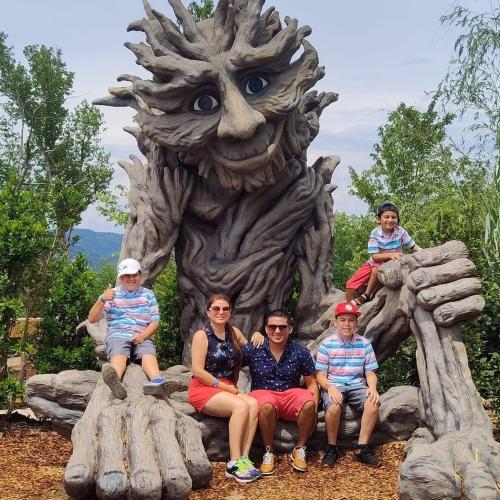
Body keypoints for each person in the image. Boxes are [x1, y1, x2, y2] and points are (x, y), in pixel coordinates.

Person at [188, 294, 265, 484]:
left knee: (253, 404)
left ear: (230, 312)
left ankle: (244, 458)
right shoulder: (202, 335)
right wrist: (225, 387)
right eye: (216, 308)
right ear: (208, 312)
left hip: (228, 387)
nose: (220, 312)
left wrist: (257, 336)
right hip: (205, 387)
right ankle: (233, 463)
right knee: (240, 406)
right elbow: (198, 371)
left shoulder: (233, 332)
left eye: (225, 309)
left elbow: (250, 352)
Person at [88, 258, 177, 399]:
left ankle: (157, 382)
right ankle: (114, 380)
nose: (130, 279)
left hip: (142, 335)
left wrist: (144, 336)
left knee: (148, 353)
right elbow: (92, 319)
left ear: (140, 276)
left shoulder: (148, 295)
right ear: (120, 278)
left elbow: (155, 321)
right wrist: (102, 299)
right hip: (118, 334)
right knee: (119, 354)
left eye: (134, 275)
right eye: (126, 275)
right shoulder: (112, 295)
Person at [242, 310, 319, 475]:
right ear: (266, 329)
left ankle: (300, 448)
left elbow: (312, 383)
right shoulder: (255, 347)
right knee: (267, 405)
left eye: (282, 327)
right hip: (263, 393)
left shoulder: (300, 350)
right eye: (272, 327)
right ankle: (269, 452)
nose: (277, 331)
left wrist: (314, 411)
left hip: (290, 395)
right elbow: (231, 361)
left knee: (308, 402)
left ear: (290, 329)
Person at [316, 302, 380, 468]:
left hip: (357, 385)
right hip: (334, 385)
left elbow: (370, 373)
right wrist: (330, 387)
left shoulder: (364, 344)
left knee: (373, 403)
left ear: (356, 323)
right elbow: (320, 375)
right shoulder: (327, 344)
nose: (347, 324)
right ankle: (332, 448)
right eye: (343, 320)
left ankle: (362, 449)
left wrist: (372, 388)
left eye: (351, 320)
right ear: (335, 322)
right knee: (334, 406)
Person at [345, 201, 420, 305]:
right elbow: (374, 256)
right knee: (351, 284)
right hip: (376, 261)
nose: (390, 220)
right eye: (386, 217)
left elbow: (412, 246)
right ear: (379, 219)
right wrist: (390, 255)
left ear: (398, 219)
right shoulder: (375, 233)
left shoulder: (400, 231)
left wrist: (422, 251)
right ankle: (350, 309)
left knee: (376, 270)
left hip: (393, 263)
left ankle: (366, 295)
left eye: (394, 217)